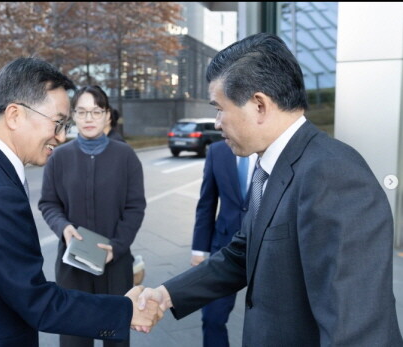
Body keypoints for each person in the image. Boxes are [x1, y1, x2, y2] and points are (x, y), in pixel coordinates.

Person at [136, 32, 403, 346]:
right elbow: (243, 253)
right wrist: (166, 295)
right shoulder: (271, 166)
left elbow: (356, 327)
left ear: (259, 105)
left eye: (219, 108)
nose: (217, 122)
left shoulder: (332, 174)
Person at [0, 58, 161, 347]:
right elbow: (36, 300)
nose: (62, 135)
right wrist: (124, 311)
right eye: (59, 122)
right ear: (14, 114)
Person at [38, 85, 146, 347]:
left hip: (116, 266)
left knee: (115, 338)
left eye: (96, 111)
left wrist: (116, 246)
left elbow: (135, 207)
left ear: (107, 115)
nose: (88, 118)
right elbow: (48, 203)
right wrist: (63, 227)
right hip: (73, 266)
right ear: (73, 116)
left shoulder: (126, 156)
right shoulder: (59, 157)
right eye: (82, 111)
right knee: (74, 340)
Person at [190, 140, 256, 347]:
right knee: (212, 317)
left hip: (264, 246)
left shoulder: (269, 146)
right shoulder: (217, 151)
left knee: (265, 323)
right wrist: (199, 249)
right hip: (225, 246)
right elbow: (207, 202)